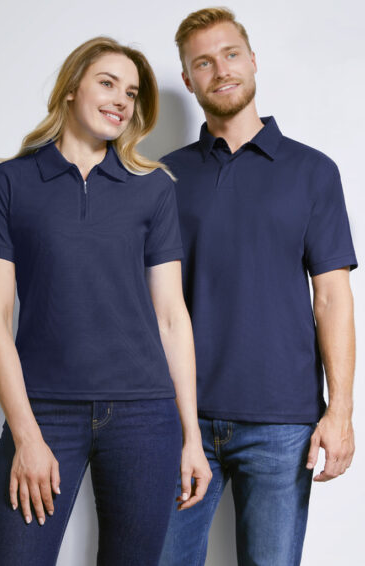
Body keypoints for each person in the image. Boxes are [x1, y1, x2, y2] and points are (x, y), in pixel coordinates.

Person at [0, 36, 212, 566]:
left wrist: (192, 437)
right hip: (43, 411)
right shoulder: (9, 183)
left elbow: (172, 318)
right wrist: (27, 437)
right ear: (71, 88)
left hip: (144, 417)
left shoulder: (153, 188)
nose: (121, 99)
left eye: (131, 92)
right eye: (107, 83)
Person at [158, 7, 358, 566]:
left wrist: (340, 412)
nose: (221, 70)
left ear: (252, 60)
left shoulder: (313, 171)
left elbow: (332, 298)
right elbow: (151, 303)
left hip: (282, 422)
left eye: (230, 54)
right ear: (188, 79)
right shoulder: (163, 177)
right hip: (181, 419)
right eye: (203, 62)